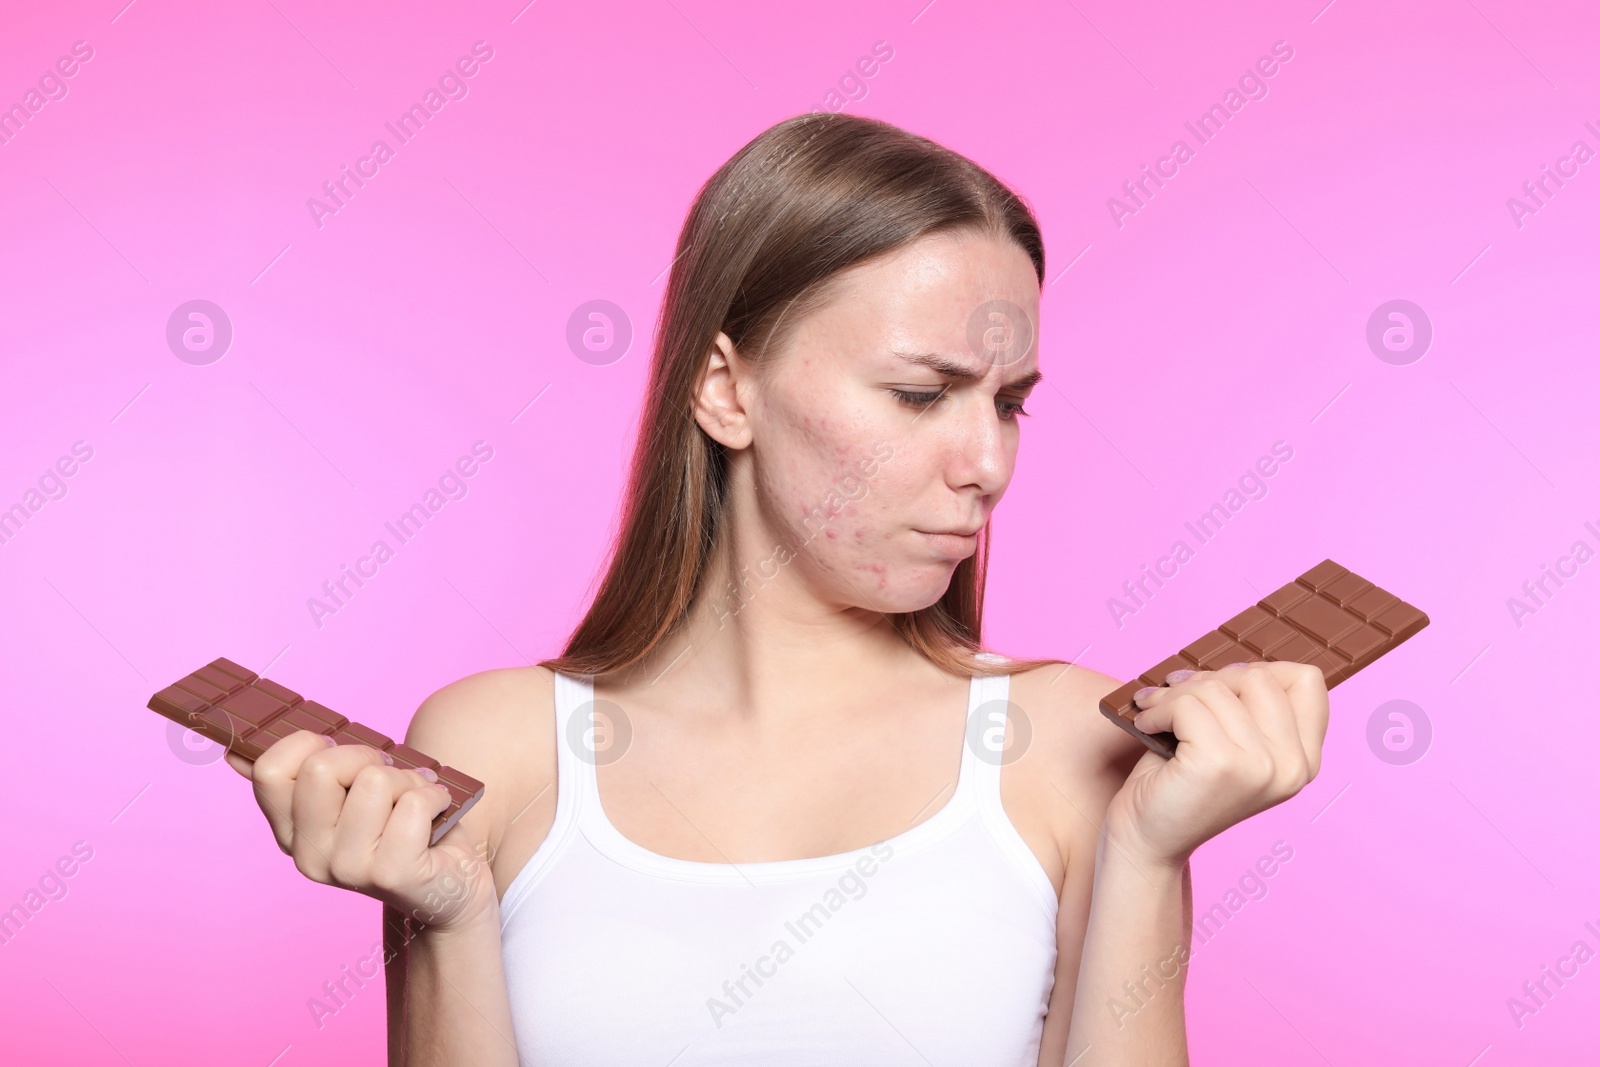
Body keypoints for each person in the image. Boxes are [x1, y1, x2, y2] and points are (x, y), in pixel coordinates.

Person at [228, 112, 1329, 1066]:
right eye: (916, 393)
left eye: (1006, 403)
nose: (985, 463)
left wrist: (1147, 850)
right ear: (724, 388)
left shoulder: (1067, 751)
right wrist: (449, 915)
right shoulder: (500, 748)